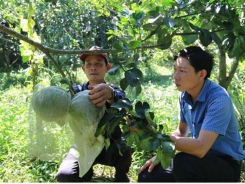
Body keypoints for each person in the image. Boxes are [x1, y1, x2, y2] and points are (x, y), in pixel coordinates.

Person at [138, 46, 245, 182]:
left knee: (183, 162)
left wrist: (155, 136)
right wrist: (162, 154)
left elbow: (200, 148)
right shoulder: (185, 96)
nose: (175, 76)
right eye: (175, 69)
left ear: (201, 74)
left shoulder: (218, 99)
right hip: (197, 161)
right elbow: (181, 131)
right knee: (148, 175)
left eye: (182, 71)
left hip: (225, 164)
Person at [55, 46, 132, 182]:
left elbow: (124, 104)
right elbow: (60, 114)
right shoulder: (75, 92)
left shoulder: (113, 91)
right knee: (64, 176)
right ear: (83, 69)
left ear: (107, 67)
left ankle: (121, 175)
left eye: (98, 63)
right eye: (89, 64)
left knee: (125, 150)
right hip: (83, 147)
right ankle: (86, 171)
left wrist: (111, 95)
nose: (93, 67)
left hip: (111, 146)